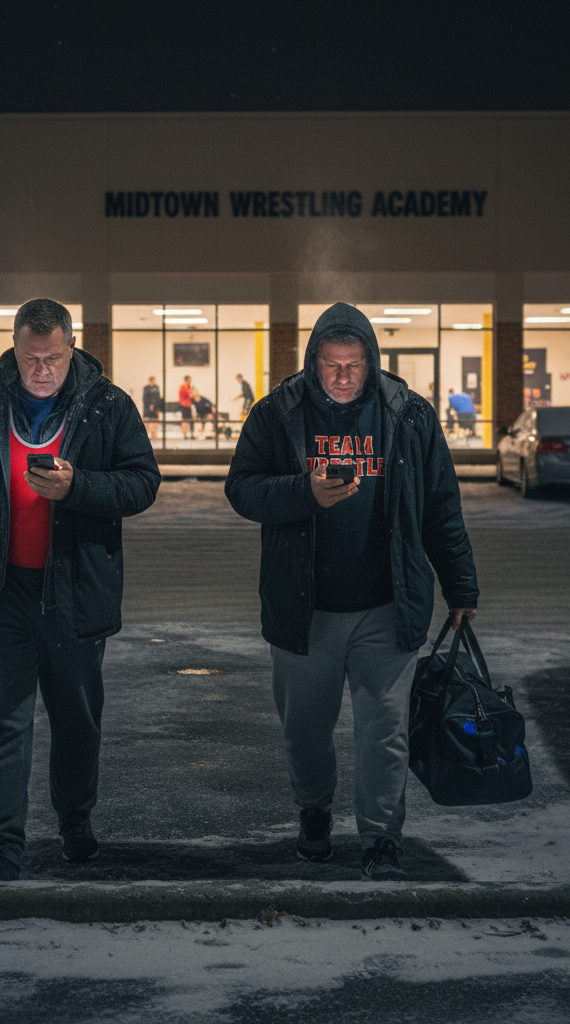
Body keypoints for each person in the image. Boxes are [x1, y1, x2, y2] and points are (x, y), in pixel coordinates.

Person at [0, 298, 160, 880]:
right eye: (29, 358)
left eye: (51, 358)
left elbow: (143, 483)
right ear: (14, 349)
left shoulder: (106, 405)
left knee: (77, 721)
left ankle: (75, 820)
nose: (40, 370)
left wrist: (79, 487)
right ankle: (1, 849)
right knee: (3, 724)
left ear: (72, 348)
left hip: (74, 592)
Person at [225, 302, 478, 881]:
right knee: (305, 730)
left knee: (384, 733)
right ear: (313, 360)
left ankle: (381, 838)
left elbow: (441, 505)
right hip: (305, 609)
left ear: (372, 361)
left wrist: (460, 583)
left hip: (386, 606)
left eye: (353, 364)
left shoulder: (408, 415)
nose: (341, 376)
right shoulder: (278, 413)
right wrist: (304, 493)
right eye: (331, 364)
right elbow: (242, 489)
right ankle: (314, 811)